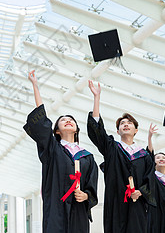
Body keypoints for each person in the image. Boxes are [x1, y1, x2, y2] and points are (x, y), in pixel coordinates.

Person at [23, 70, 98, 233]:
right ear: (56, 131)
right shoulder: (52, 149)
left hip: (79, 212)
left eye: (71, 120)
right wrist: (36, 86)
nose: (68, 121)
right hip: (56, 210)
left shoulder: (88, 157)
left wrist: (86, 196)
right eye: (63, 120)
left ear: (77, 129)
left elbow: (92, 188)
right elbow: (41, 122)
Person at [87, 80, 155, 233]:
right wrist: (96, 98)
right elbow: (98, 132)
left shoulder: (144, 155)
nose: (125, 124)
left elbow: (150, 179)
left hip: (137, 204)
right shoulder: (112, 148)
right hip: (116, 203)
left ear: (136, 130)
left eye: (129, 123)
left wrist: (141, 191)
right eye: (122, 123)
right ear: (118, 131)